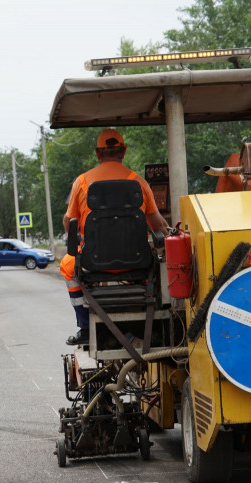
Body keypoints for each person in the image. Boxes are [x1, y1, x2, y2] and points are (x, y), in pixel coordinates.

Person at [60, 128, 171, 346]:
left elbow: (68, 221)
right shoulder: (138, 182)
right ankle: (157, 319)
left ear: (97, 153)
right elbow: (158, 224)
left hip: (93, 262)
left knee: (67, 265)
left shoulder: (81, 182)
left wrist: (79, 236)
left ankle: (84, 326)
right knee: (163, 263)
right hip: (137, 262)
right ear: (123, 152)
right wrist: (170, 233)